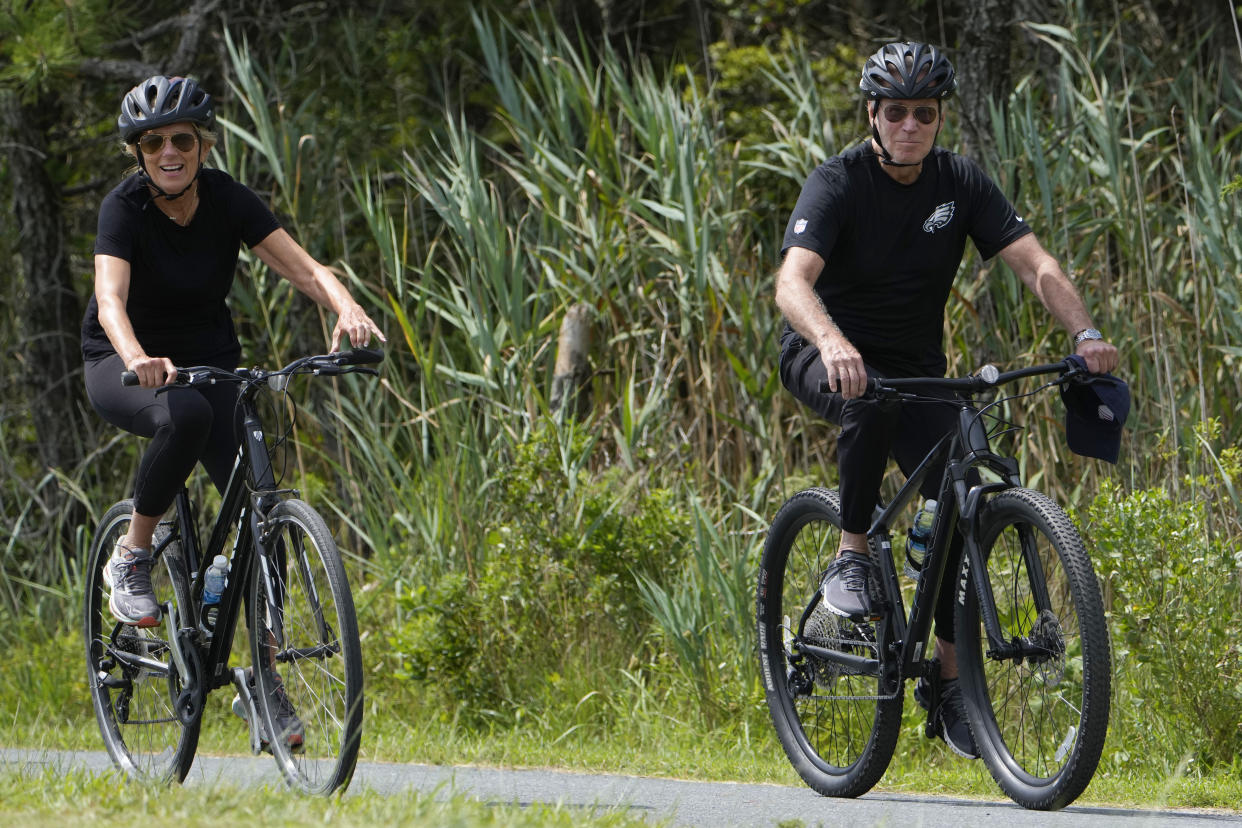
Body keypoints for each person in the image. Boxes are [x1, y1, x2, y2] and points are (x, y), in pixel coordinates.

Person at [774, 42, 1118, 759]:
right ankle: (851, 554)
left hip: (919, 369)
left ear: (936, 119)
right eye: (894, 112)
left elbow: (1035, 262)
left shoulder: (959, 181)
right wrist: (834, 343)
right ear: (873, 114)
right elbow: (792, 284)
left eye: (923, 114)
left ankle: (952, 684)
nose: (908, 126)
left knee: (968, 489)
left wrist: (1084, 332)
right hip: (823, 352)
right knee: (869, 401)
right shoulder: (837, 182)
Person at [81, 75, 385, 749]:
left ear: (203, 145)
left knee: (261, 511)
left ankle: (266, 688)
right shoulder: (123, 208)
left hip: (212, 361)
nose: (169, 151)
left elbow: (306, 269)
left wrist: (347, 310)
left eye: (182, 139)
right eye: (153, 141)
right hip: (122, 362)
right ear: (137, 152)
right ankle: (131, 557)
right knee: (183, 416)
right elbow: (110, 302)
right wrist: (136, 357)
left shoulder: (227, 201)